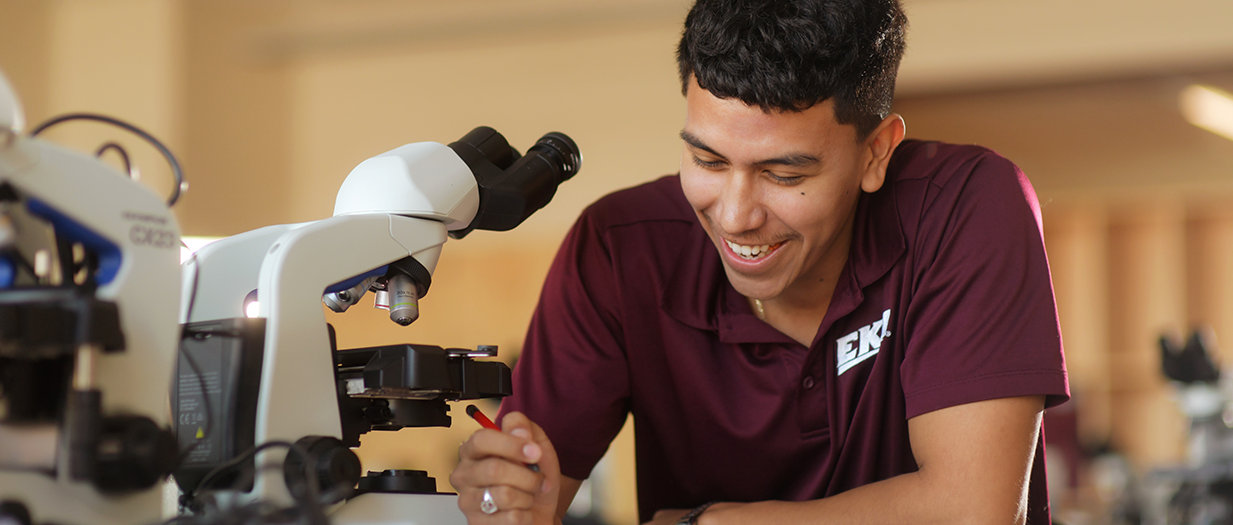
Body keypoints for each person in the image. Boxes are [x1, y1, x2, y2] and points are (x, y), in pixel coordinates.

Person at [450, 0, 1069, 523]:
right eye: (709, 162)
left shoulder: (965, 205)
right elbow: (527, 495)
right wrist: (507, 498)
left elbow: (971, 509)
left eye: (782, 172)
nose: (737, 215)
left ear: (876, 154)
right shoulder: (619, 249)